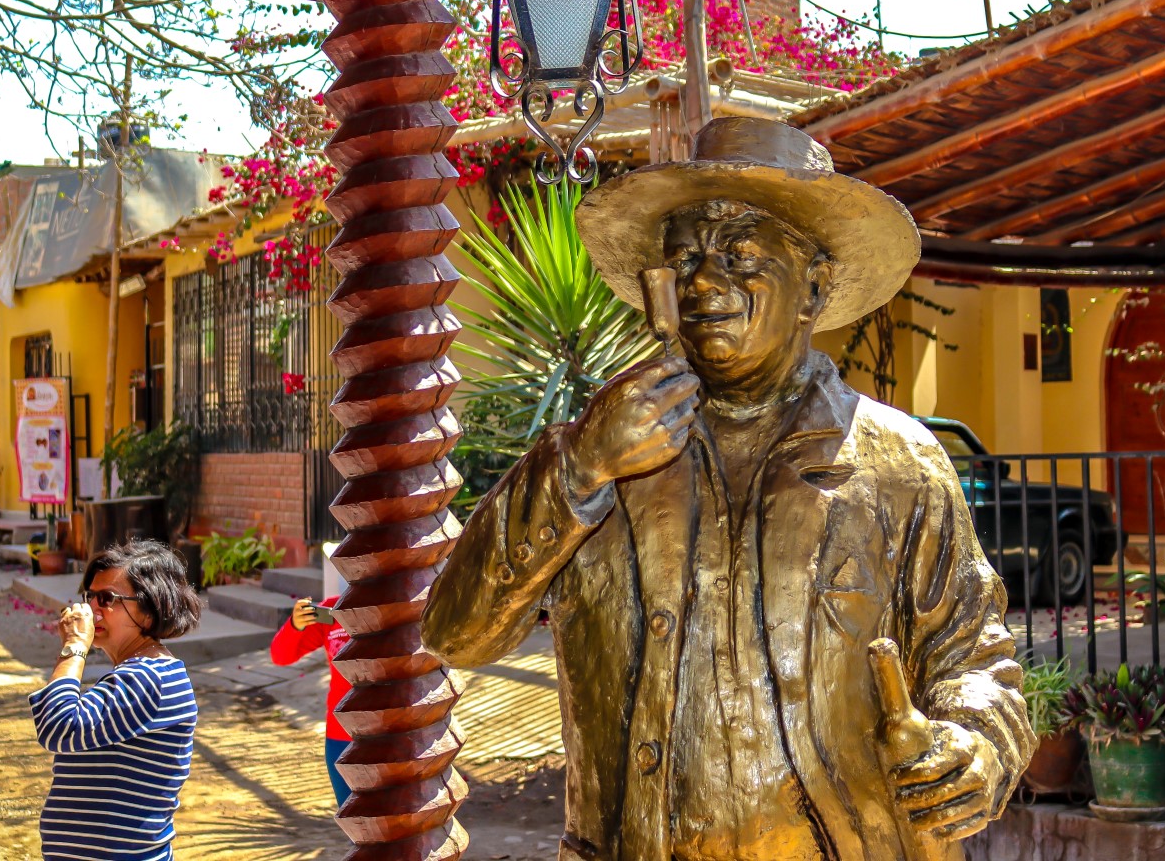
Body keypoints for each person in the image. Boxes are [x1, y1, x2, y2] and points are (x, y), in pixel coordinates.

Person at [423, 119, 1033, 860]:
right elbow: (455, 632)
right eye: (683, 261)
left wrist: (974, 744)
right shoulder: (602, 447)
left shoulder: (900, 463)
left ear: (813, 286)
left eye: (741, 256)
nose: (704, 283)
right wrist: (578, 466)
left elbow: (976, 660)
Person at [31, 540, 200, 860]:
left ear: (150, 611)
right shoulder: (143, 672)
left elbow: (57, 728)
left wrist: (74, 648)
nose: (91, 610)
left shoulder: (148, 677)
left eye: (107, 599)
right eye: (90, 597)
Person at [268, 596, 353, 807]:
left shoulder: (399, 605)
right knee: (354, 818)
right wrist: (295, 624)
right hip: (340, 735)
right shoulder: (333, 609)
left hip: (391, 732)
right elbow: (281, 655)